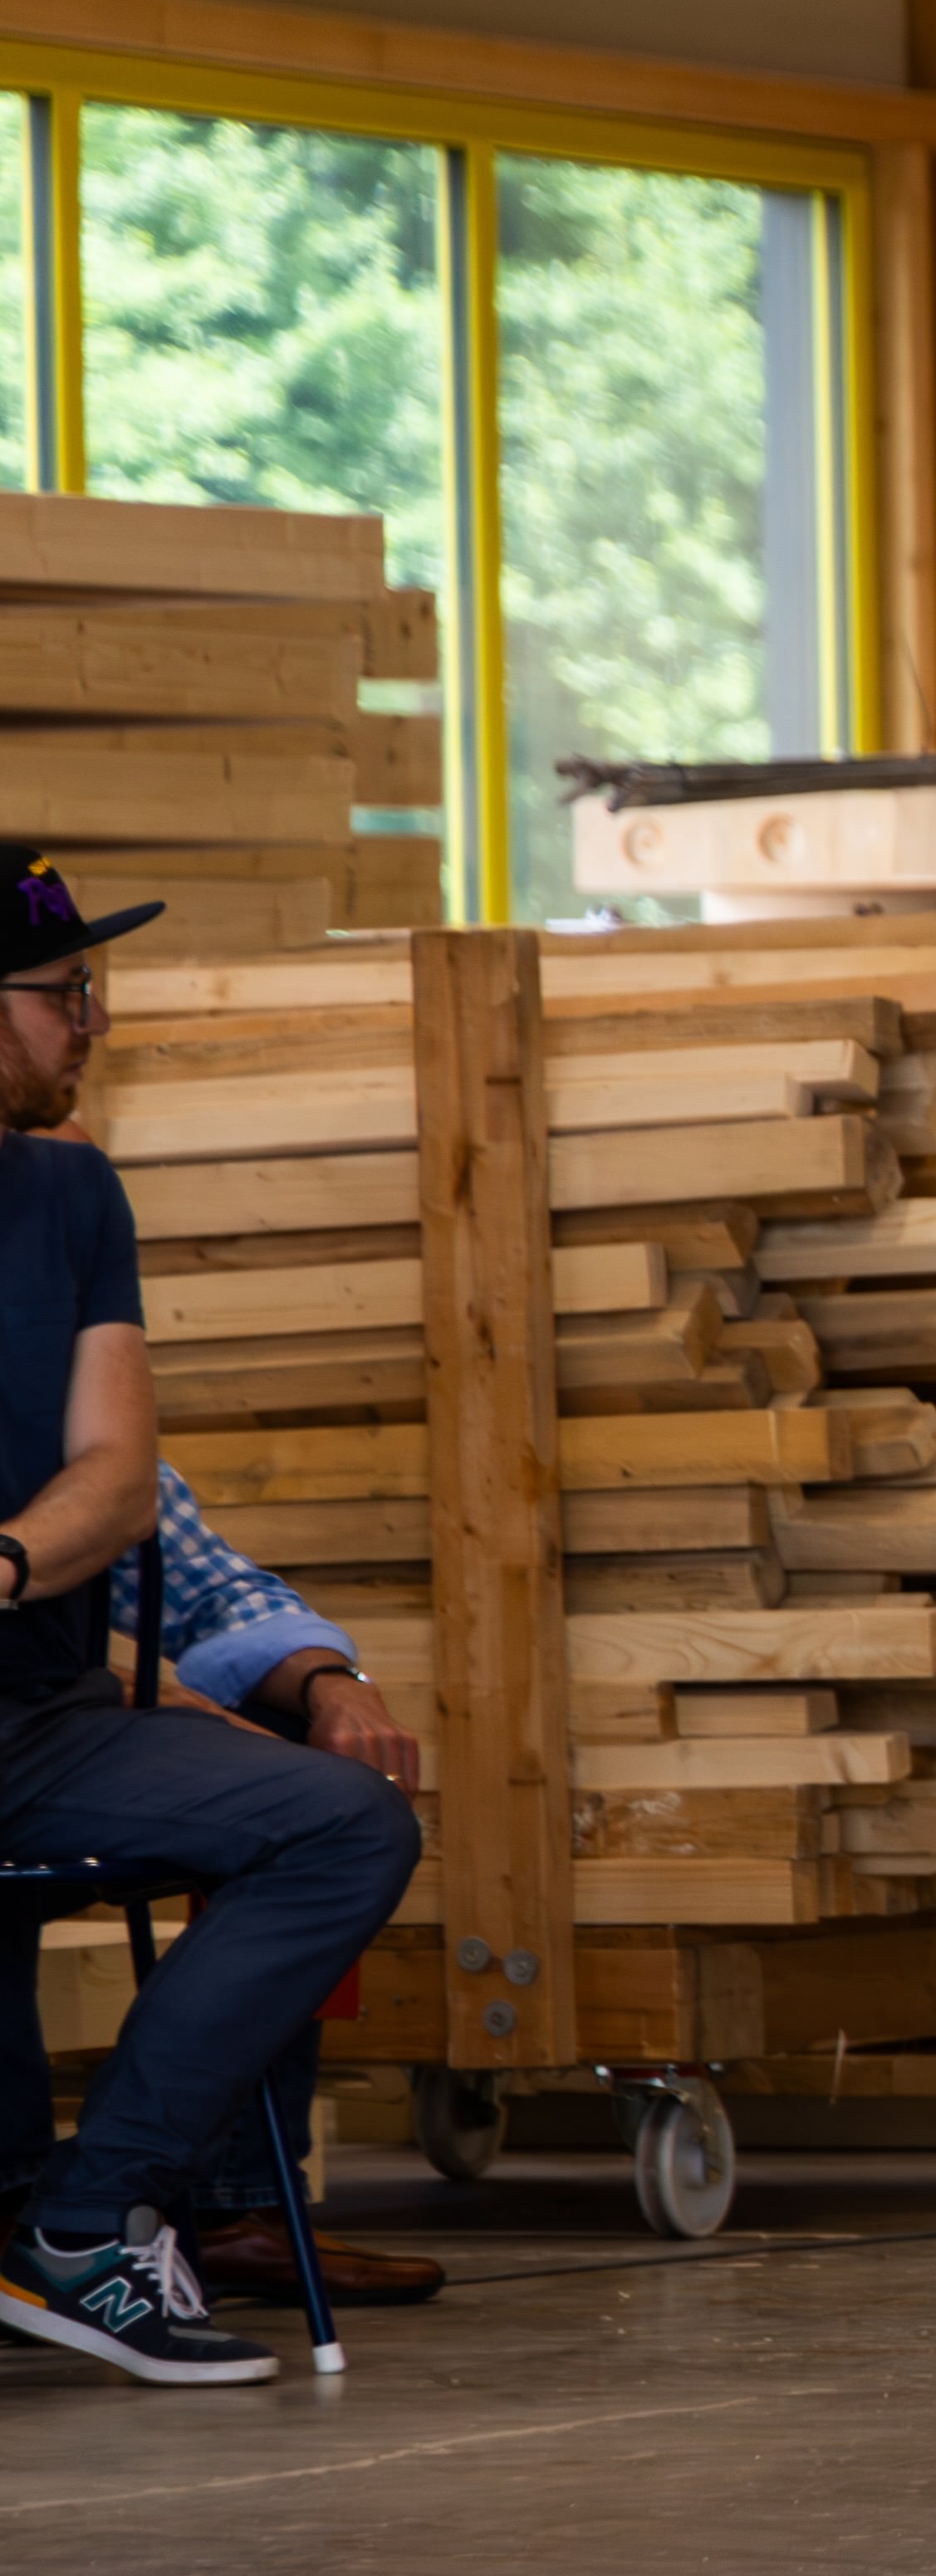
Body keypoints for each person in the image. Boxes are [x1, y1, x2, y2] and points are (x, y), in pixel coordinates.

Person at [0, 850, 415, 2386]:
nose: (94, 1017)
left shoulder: (70, 1195)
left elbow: (130, 1496)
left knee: (336, 1816)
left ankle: (91, 2217)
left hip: (38, 1714)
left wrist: (310, 1674)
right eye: (65, 991)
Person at [0, 1468, 448, 2309]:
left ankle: (225, 2204)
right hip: (36, 1733)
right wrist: (140, 1691)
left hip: (51, 1736)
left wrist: (331, 1684)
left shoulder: (74, 1419)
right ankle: (24, 2201)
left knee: (307, 1782)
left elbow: (211, 1590)